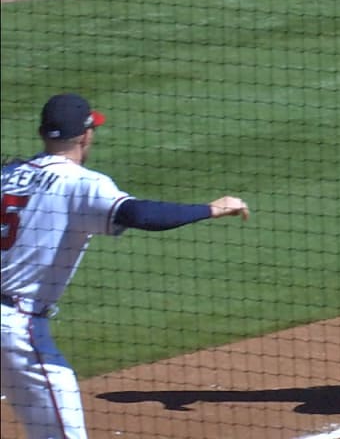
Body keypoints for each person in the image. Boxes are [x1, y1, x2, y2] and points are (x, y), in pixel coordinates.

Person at [1, 93, 250, 439]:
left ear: (43, 133)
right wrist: (211, 209)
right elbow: (140, 214)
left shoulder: (7, 174)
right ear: (86, 135)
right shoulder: (82, 184)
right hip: (15, 328)